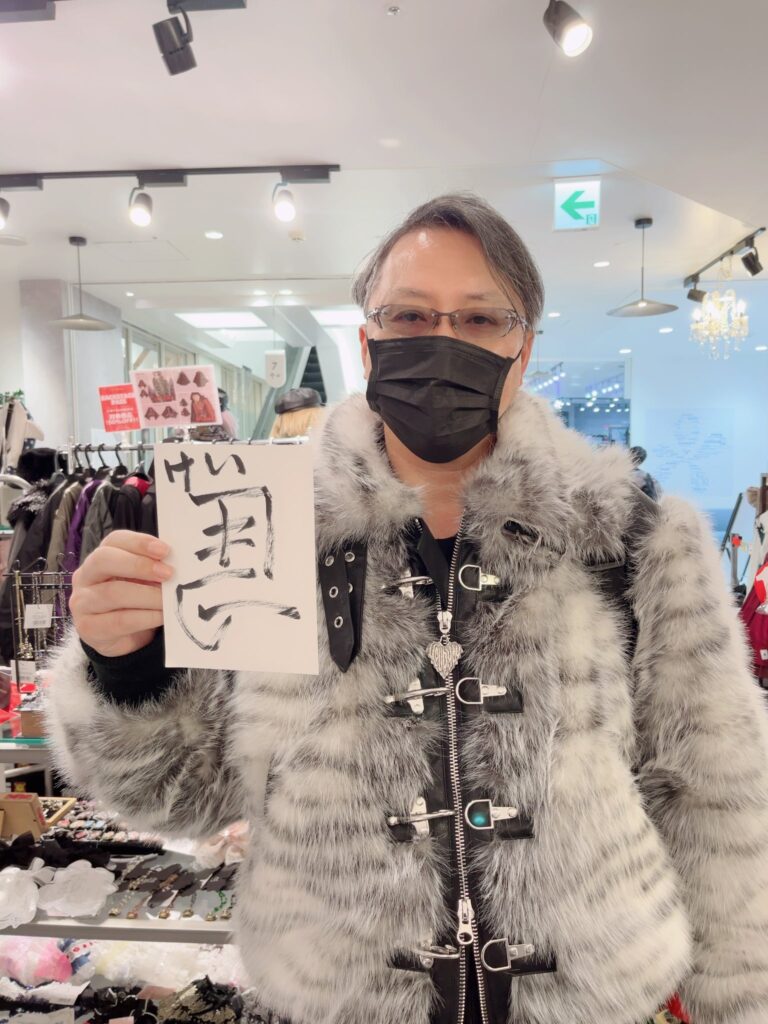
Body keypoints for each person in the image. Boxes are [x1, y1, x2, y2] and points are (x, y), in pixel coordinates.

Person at [47, 194, 768, 1024]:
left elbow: (718, 798)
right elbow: (184, 797)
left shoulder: (629, 532)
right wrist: (125, 668)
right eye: (411, 316)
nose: (442, 342)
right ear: (368, 342)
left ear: (524, 348)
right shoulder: (264, 531)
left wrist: (739, 1003)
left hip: (587, 1000)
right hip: (343, 1000)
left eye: (480, 318)